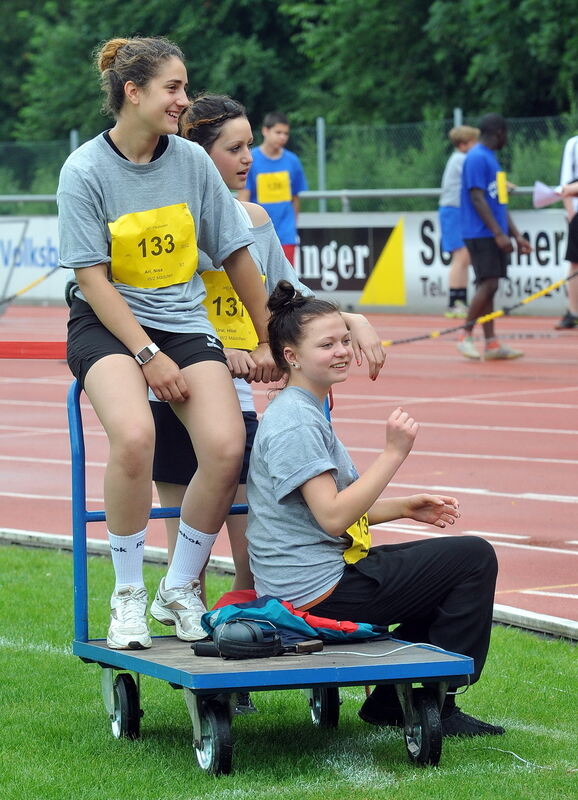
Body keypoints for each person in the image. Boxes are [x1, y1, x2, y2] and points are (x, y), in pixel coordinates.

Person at [57, 37, 276, 650]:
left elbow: (236, 253)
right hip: (106, 325)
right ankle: (127, 593)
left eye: (183, 87)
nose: (184, 100)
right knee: (135, 436)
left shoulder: (189, 162)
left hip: (182, 322)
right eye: (173, 88)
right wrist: (147, 356)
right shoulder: (85, 171)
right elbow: (92, 280)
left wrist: (270, 337)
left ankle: (178, 587)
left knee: (228, 447)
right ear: (134, 92)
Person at [151, 93, 386, 603]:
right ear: (196, 153)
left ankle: (241, 632)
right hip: (173, 390)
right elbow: (160, 311)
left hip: (233, 399)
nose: (248, 159)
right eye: (234, 149)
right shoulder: (172, 224)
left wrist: (353, 318)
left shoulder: (255, 219)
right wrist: (218, 352)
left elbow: (289, 298)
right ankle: (184, 630)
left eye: (250, 146)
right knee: (183, 559)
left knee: (250, 558)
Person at [245, 279, 505, 738]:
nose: (343, 351)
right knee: (473, 558)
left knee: (449, 571)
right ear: (291, 356)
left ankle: (393, 700)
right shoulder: (295, 423)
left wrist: (405, 507)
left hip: (315, 577)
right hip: (317, 592)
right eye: (327, 344)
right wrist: (393, 454)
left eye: (344, 340)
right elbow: (331, 517)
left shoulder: (302, 409)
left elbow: (320, 514)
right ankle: (431, 704)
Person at [457, 113, 532, 360]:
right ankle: (465, 335)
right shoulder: (476, 158)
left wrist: (517, 235)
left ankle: (491, 344)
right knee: (488, 283)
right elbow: (477, 198)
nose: (506, 139)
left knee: (491, 285)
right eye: (506, 134)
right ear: (499, 132)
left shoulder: (492, 159)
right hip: (480, 233)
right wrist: (498, 234)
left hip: (492, 232)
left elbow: (500, 201)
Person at [237, 111, 307, 265]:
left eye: (286, 133)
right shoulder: (250, 159)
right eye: (278, 132)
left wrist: (293, 227)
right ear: (265, 131)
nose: (283, 137)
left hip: (286, 235)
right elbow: (244, 198)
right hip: (259, 233)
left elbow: (295, 198)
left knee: (286, 283)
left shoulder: (293, 161)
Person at [439, 125, 479, 318]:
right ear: (463, 144)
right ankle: (454, 302)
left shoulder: (462, 158)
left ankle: (460, 300)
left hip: (459, 211)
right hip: (453, 210)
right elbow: (477, 177)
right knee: (460, 256)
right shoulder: (461, 159)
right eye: (474, 142)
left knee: (465, 257)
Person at [556, 135, 578, 329]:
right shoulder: (573, 144)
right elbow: (565, 184)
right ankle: (574, 311)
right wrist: (571, 214)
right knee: (575, 263)